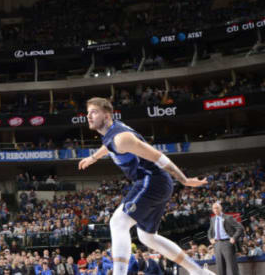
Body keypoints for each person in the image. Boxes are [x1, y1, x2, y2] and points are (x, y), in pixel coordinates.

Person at [78, 97, 214, 275]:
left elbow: (159, 157)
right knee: (147, 237)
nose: (89, 116)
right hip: (155, 183)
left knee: (118, 222)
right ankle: (199, 272)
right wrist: (93, 158)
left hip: (152, 180)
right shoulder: (111, 133)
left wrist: (184, 180)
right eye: (88, 112)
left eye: (94, 112)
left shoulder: (121, 138)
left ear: (107, 115)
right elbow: (107, 146)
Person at [208, 202, 244, 275]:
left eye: (217, 208)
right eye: (214, 208)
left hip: (227, 243)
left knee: (231, 267)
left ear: (221, 208)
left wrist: (234, 237)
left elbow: (240, 228)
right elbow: (209, 231)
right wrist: (210, 238)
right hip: (217, 244)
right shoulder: (212, 219)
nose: (215, 210)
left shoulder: (228, 217)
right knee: (220, 268)